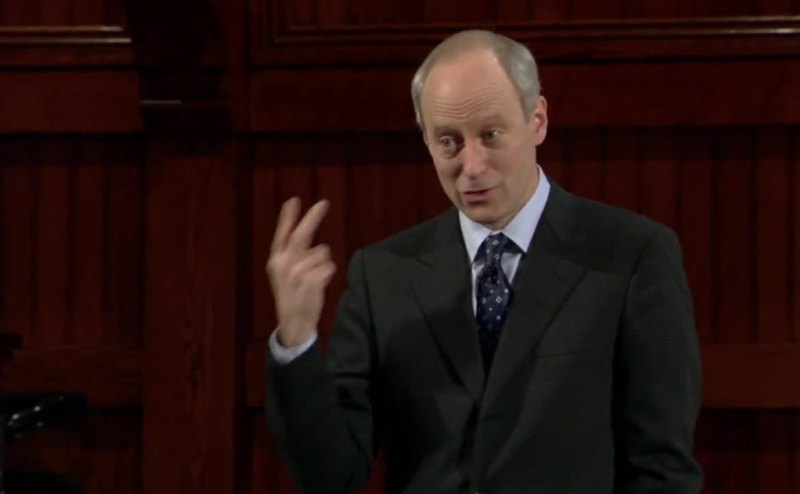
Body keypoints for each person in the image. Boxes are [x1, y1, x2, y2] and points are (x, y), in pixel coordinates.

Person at [265, 29, 703, 494]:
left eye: (491, 136)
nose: (471, 167)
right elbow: (331, 476)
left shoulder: (631, 256)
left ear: (537, 120)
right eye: (448, 142)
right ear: (426, 139)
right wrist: (297, 339)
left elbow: (662, 471)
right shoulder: (382, 275)